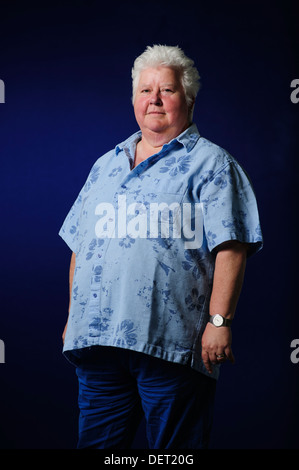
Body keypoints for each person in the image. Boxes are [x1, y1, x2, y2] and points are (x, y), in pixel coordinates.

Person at [59, 45, 263, 449]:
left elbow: (232, 247)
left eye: (165, 90)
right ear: (133, 99)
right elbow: (81, 245)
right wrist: (72, 317)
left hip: (171, 344)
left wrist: (220, 323)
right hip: (98, 343)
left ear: (187, 99)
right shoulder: (106, 164)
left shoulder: (213, 164)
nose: (153, 99)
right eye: (144, 90)